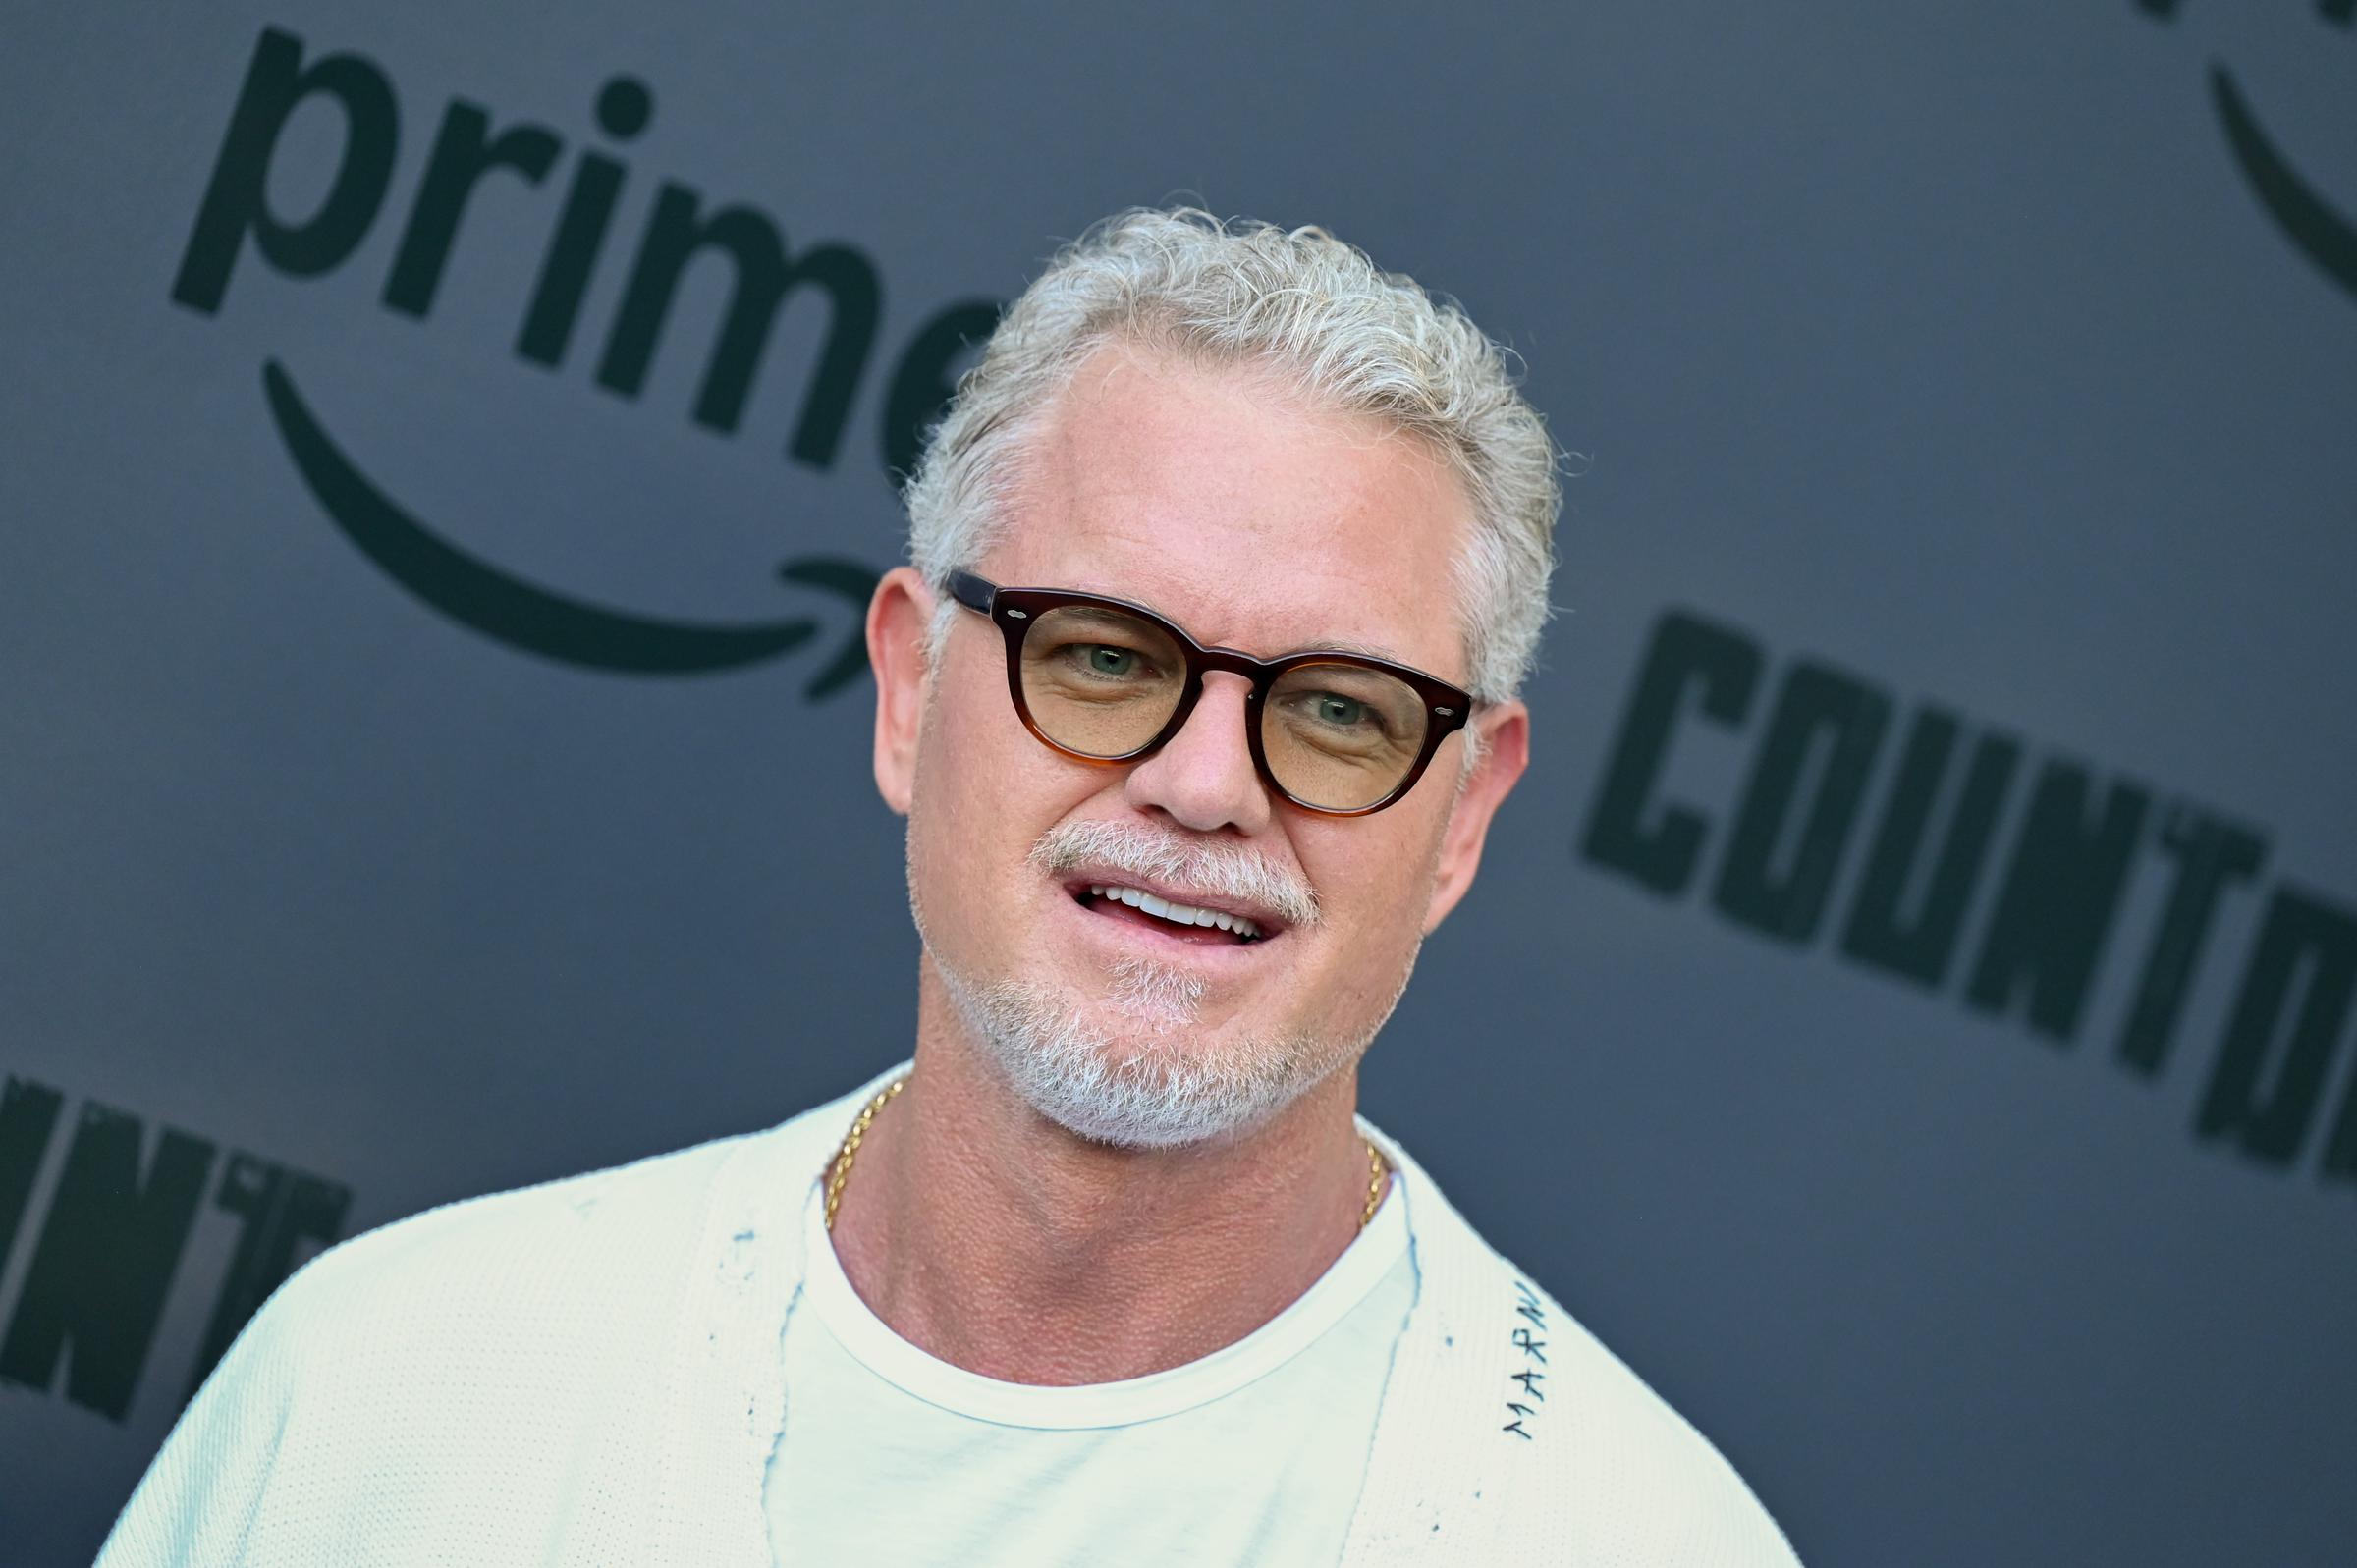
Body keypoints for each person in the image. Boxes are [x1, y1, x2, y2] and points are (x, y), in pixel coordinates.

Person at [95, 208, 1800, 1566]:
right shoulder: (391, 1394)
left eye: (1341, 711)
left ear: (1462, 818)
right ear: (912, 688)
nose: (1206, 785)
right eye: (1103, 655)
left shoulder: (1637, 1538)